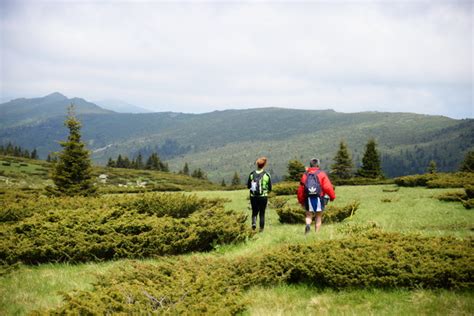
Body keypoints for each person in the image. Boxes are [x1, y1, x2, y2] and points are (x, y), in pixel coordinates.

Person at [297, 158, 335, 234]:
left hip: (308, 198)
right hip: (319, 197)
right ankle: (316, 234)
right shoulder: (321, 174)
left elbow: (301, 189)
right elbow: (327, 187)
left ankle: (308, 224)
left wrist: (301, 200)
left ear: (310, 165)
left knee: (308, 215)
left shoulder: (305, 175)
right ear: (318, 165)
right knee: (318, 216)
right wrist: (332, 197)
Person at [247, 157, 272, 232]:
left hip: (253, 196)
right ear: (264, 165)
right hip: (263, 196)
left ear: (257, 164)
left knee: (254, 212)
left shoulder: (251, 174)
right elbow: (270, 188)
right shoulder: (266, 175)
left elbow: (248, 186)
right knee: (262, 213)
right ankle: (261, 229)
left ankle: (254, 223)